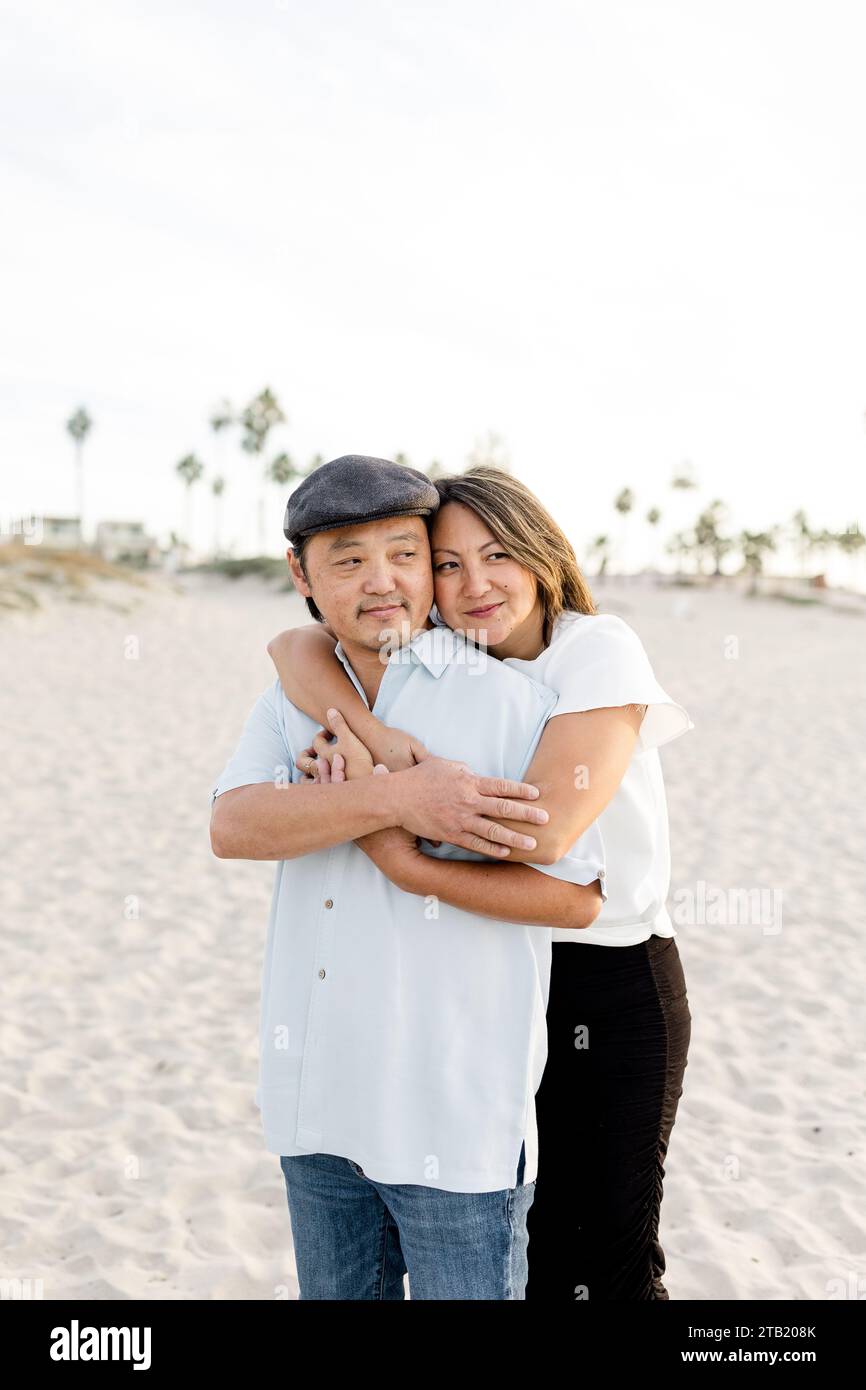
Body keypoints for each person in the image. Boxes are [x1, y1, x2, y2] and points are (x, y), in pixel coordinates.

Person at [269, 463, 695, 1300]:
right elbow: (293, 644)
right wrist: (380, 747)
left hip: (610, 980)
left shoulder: (594, 649)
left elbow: (548, 833)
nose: (475, 586)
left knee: (606, 1259)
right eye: (450, 564)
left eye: (497, 555)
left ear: (541, 554)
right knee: (532, 1253)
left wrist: (391, 844)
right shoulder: (450, 666)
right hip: (507, 974)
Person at [210, 455, 607, 1301]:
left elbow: (577, 892)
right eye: (348, 560)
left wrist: (374, 826)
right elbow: (235, 825)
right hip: (316, 1104)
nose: (382, 581)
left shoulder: (512, 706)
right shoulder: (289, 697)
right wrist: (400, 795)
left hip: (454, 1118)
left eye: (405, 552)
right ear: (301, 574)